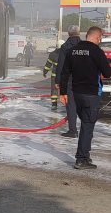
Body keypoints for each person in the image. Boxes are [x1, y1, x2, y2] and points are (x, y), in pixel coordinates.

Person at [59, 26, 111, 169]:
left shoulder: (72, 51)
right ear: (97, 37)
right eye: (99, 38)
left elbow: (64, 73)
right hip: (91, 94)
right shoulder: (97, 51)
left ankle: (84, 156)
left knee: (85, 125)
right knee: (87, 126)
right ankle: (81, 159)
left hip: (76, 94)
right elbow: (107, 73)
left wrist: (63, 93)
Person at [55, 25, 81, 138]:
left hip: (70, 79)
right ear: (79, 33)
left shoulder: (65, 47)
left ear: (68, 33)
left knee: (71, 105)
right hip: (83, 79)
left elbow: (61, 65)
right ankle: (87, 130)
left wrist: (58, 81)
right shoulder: (84, 46)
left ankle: (73, 130)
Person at [43, 39, 65, 110]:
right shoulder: (66, 53)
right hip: (62, 76)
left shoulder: (53, 54)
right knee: (60, 90)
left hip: (56, 76)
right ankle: (57, 104)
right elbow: (48, 64)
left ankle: (54, 105)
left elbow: (48, 64)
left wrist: (45, 72)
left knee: (54, 90)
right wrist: (45, 71)